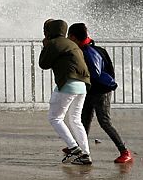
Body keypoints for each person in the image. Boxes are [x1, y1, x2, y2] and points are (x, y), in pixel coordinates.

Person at [67, 23, 134, 164]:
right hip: (90, 90)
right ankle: (79, 148)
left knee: (104, 122)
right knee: (84, 120)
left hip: (100, 92)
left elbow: (93, 73)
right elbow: (110, 70)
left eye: (69, 36)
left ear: (73, 37)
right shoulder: (96, 50)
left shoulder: (87, 52)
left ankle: (124, 152)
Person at [39, 19, 92, 165]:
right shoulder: (72, 44)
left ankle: (74, 148)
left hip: (68, 84)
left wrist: (45, 46)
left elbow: (43, 64)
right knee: (75, 120)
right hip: (82, 85)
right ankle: (85, 154)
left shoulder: (54, 43)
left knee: (55, 118)